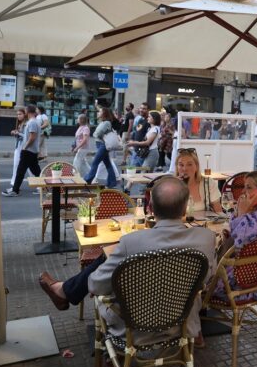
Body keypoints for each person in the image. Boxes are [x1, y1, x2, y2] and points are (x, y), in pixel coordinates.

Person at [38, 176, 217, 344]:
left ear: (150, 208)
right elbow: (207, 278)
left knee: (109, 276)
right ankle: (63, 290)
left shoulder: (130, 243)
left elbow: (94, 285)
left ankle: (64, 291)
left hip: (133, 328)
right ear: (185, 208)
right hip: (183, 324)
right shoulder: (207, 239)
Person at [211, 171, 257, 301]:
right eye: (244, 186)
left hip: (235, 285)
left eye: (249, 187)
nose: (243, 192)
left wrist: (242, 213)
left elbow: (238, 242)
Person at [3, 105, 42, 197]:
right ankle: (46, 186)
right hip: (32, 150)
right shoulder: (34, 121)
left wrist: (25, 147)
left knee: (21, 170)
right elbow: (30, 136)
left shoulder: (32, 122)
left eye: (25, 111)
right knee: (36, 171)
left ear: (28, 111)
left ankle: (15, 190)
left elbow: (32, 137)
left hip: (28, 150)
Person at [175, 148, 223, 213]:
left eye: (189, 164)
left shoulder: (208, 183)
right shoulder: (171, 186)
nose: (185, 169)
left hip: (204, 220)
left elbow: (218, 211)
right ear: (177, 167)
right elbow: (165, 213)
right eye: (181, 165)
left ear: (196, 167)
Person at [83, 107, 117, 189]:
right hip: (100, 144)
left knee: (95, 162)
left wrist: (94, 134)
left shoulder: (106, 123)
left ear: (104, 113)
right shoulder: (103, 122)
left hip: (103, 145)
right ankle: (112, 182)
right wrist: (95, 134)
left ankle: (88, 179)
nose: (98, 113)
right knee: (107, 164)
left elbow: (97, 134)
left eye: (100, 112)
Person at [9, 107, 27, 187]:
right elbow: (20, 136)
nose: (18, 116)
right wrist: (15, 133)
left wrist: (18, 133)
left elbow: (27, 136)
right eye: (17, 114)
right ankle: (14, 184)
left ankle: (40, 184)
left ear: (24, 114)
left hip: (24, 148)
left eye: (20, 114)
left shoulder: (26, 124)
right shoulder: (20, 124)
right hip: (18, 147)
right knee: (16, 165)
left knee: (31, 168)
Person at [129, 102, 150, 167]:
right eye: (141, 108)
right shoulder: (140, 119)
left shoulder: (149, 121)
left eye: (144, 109)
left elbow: (148, 137)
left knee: (138, 171)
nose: (141, 110)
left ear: (148, 110)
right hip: (136, 149)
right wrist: (132, 139)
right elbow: (136, 131)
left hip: (142, 151)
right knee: (133, 170)